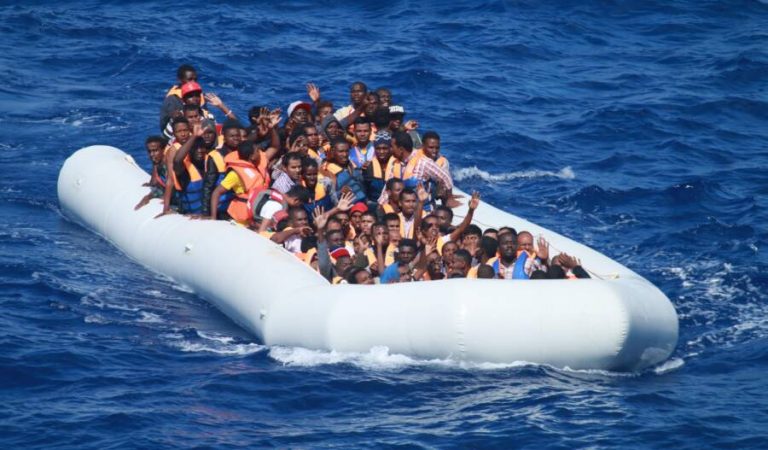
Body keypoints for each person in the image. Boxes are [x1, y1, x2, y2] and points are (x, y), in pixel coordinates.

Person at [379, 131, 457, 210]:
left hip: (424, 210)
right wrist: (381, 204)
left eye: (392, 147)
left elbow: (445, 177)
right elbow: (387, 188)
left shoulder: (423, 162)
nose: (390, 150)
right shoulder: (395, 164)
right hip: (404, 211)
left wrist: (450, 197)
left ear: (401, 149)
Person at [209, 141, 271, 225]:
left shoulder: (257, 167)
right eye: (257, 151)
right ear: (251, 156)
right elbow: (216, 192)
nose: (260, 153)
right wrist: (213, 217)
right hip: (241, 219)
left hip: (258, 213)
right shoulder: (235, 174)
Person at [321, 139, 367, 204]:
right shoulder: (326, 170)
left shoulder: (354, 165)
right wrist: (340, 193)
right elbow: (327, 198)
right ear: (333, 152)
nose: (345, 154)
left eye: (347, 151)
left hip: (363, 203)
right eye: (341, 151)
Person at [135, 136, 169, 210]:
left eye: (155, 151)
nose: (152, 154)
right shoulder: (157, 163)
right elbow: (160, 186)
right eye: (149, 151)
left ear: (163, 150)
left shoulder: (168, 165)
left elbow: (172, 186)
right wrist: (148, 196)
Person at [363, 132, 392, 203]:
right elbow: (365, 190)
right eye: (378, 148)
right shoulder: (368, 167)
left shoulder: (396, 164)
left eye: (385, 148)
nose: (381, 151)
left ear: (390, 148)